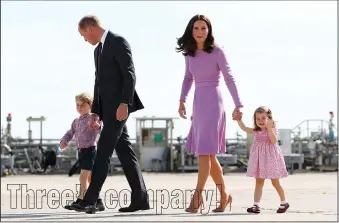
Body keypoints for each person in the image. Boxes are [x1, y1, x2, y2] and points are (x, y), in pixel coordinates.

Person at [72, 15, 149, 214]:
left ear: (90, 28)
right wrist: (95, 113)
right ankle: (141, 198)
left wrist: (125, 103)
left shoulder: (118, 42)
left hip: (119, 109)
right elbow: (98, 83)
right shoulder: (98, 50)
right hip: (106, 110)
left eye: (83, 35)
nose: (84, 40)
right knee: (125, 152)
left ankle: (90, 199)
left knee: (103, 152)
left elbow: (130, 74)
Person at [176, 14, 243, 213]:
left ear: (209, 30)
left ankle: (197, 197)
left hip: (214, 102)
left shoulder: (217, 51)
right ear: (191, 30)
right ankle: (224, 196)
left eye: (203, 28)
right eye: (196, 28)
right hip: (198, 103)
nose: (200, 32)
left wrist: (238, 104)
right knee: (209, 156)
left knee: (204, 153)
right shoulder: (189, 53)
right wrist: (182, 100)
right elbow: (188, 78)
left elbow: (229, 77)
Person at [234, 106, 289, 214]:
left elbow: (273, 141)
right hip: (259, 160)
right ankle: (256, 205)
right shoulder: (256, 131)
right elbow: (244, 128)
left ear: (269, 118)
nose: (260, 121)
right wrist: (239, 119)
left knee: (275, 182)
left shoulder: (272, 129)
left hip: (271, 159)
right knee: (259, 182)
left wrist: (269, 128)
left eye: (263, 118)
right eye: (257, 119)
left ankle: (284, 202)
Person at [59, 93, 102, 211]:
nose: (79, 107)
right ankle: (98, 201)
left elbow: (101, 130)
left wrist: (98, 126)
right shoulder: (75, 121)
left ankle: (82, 199)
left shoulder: (93, 117)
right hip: (81, 152)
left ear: (90, 105)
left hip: (90, 150)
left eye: (82, 105)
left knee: (83, 178)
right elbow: (70, 133)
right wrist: (64, 140)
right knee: (89, 179)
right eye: (77, 105)